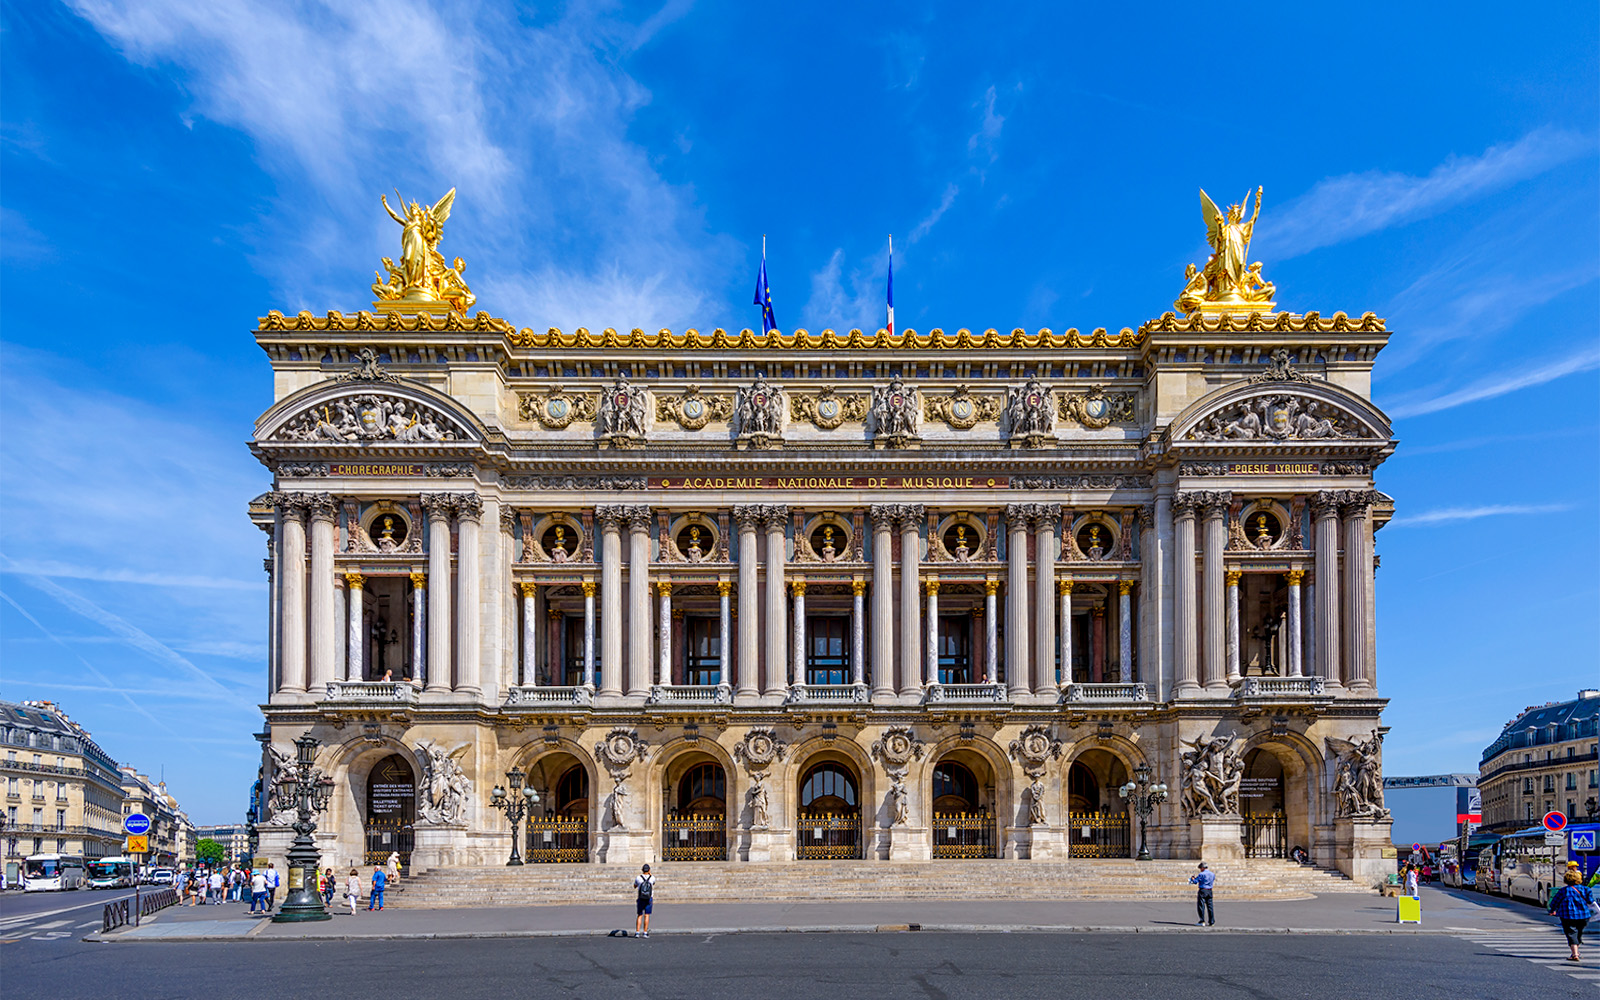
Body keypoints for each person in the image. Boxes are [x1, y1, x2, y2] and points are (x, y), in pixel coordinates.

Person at [1549, 868, 1596, 963]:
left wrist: (1552, 910)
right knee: (1578, 933)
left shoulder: (1563, 891)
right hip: (1583, 915)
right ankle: (1576, 951)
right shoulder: (1585, 889)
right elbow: (1590, 901)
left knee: (1571, 933)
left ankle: (1575, 954)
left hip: (1567, 915)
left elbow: (1555, 902)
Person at [633, 863, 655, 937]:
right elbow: (653, 883)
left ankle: (637, 932)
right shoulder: (652, 878)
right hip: (649, 898)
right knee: (647, 915)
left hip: (641, 898)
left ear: (642, 870)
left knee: (639, 915)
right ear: (649, 870)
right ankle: (645, 932)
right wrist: (650, 874)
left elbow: (634, 886)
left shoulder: (638, 878)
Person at [1190, 862, 1215, 926]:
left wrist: (1193, 879)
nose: (1200, 869)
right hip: (1209, 890)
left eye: (1200, 868)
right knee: (1210, 907)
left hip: (1203, 890)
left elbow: (1195, 881)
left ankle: (1202, 921)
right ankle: (1211, 921)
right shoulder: (1212, 874)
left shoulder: (1202, 874)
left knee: (1201, 906)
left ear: (1203, 868)